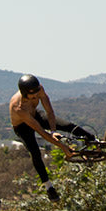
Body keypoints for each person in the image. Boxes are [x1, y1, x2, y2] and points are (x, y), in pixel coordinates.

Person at [9, 74, 89, 202]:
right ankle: (48, 187)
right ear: (24, 93)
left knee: (68, 126)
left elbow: (49, 111)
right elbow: (40, 131)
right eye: (32, 95)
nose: (36, 96)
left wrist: (53, 131)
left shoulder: (38, 89)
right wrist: (63, 147)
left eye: (37, 93)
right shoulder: (18, 107)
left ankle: (95, 141)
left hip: (35, 116)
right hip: (22, 126)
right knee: (35, 152)